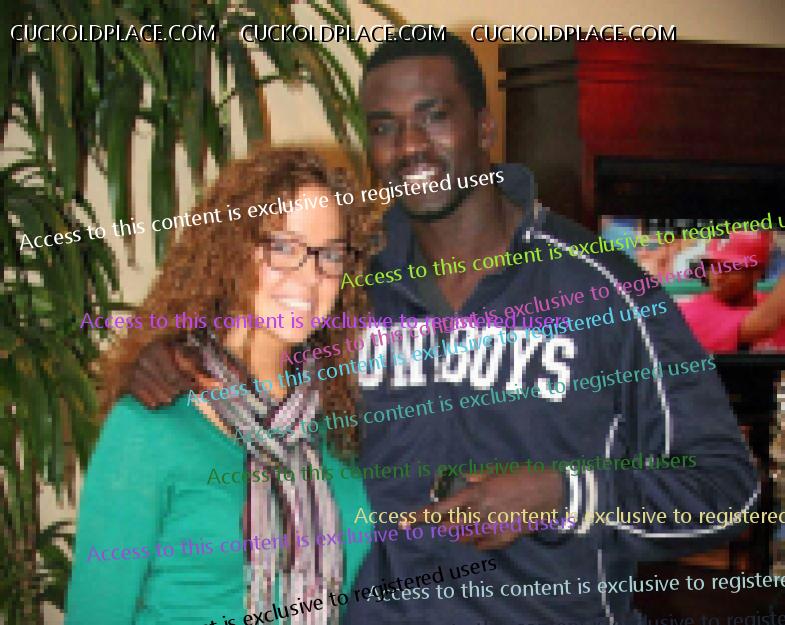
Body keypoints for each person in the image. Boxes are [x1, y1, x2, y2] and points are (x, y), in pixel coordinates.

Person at [127, 34, 759, 625]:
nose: (410, 146)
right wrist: (169, 359)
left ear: (484, 127)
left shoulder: (602, 286)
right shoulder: (343, 287)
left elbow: (725, 490)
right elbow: (241, 380)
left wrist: (561, 494)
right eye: (385, 127)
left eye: (434, 116)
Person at [65, 147, 380, 625]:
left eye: (330, 255)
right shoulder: (149, 424)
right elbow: (96, 613)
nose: (310, 276)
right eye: (284, 247)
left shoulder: (336, 420)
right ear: (231, 249)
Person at [678, 231, 785, 352]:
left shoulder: (768, 303)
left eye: (728, 268)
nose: (718, 276)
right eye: (713, 266)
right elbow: (764, 324)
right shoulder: (690, 313)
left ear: (756, 272)